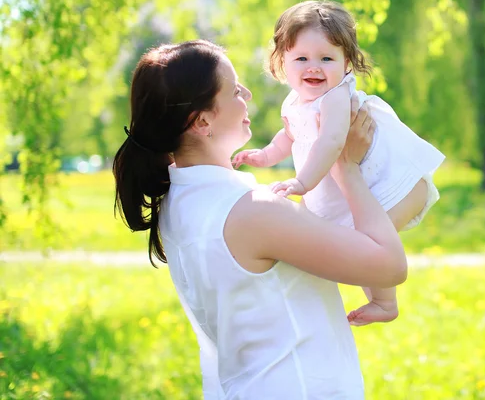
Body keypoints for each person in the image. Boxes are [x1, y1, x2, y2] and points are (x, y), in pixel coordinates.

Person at [113, 39, 408, 400]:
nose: (248, 95)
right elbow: (390, 266)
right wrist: (346, 167)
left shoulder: (176, 203)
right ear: (202, 121)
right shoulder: (252, 211)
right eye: (235, 90)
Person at [233, 0, 445, 326]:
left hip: (390, 184)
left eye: (326, 58)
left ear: (347, 63)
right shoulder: (296, 101)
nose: (313, 67)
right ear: (282, 62)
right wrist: (265, 155)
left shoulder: (335, 98)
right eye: (301, 58)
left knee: (367, 245)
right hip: (361, 189)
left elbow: (331, 142)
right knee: (359, 242)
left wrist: (302, 183)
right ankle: (381, 301)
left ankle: (385, 302)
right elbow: (289, 136)